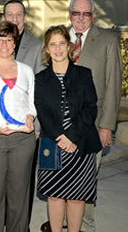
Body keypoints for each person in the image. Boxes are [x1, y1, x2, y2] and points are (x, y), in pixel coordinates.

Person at [39, 0, 122, 232]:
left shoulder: (107, 40)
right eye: (76, 13)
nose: (81, 18)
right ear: (70, 14)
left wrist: (107, 126)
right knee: (60, 182)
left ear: (92, 16)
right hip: (58, 127)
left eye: (86, 13)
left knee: (84, 184)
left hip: (91, 125)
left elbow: (113, 84)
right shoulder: (60, 39)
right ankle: (62, 221)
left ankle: (85, 226)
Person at [0, 0, 44, 232]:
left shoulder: (33, 54)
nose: (4, 44)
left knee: (20, 192)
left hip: (23, 136)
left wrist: (32, 121)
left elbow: (35, 96)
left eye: (19, 14)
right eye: (10, 14)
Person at [35, 24, 102, 232]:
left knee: (76, 197)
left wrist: (71, 137)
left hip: (80, 143)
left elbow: (91, 108)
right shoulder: (41, 79)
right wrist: (60, 137)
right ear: (46, 49)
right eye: (52, 44)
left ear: (69, 46)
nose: (57, 49)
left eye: (61, 44)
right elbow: (41, 112)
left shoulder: (83, 74)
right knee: (54, 196)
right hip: (52, 144)